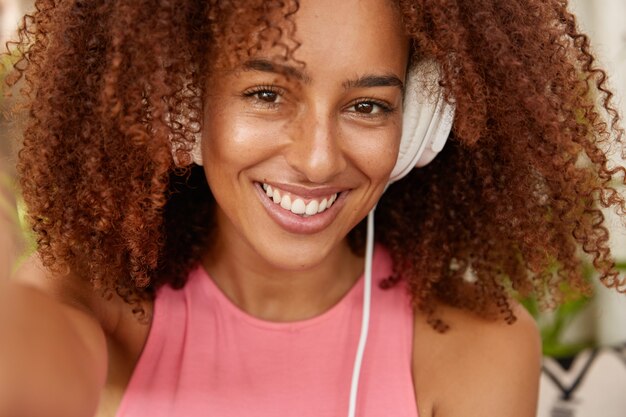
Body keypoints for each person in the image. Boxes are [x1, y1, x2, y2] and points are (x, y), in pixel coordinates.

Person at [1, 0, 625, 416]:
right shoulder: (87, 305)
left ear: (419, 129)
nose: (320, 160)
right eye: (267, 93)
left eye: (368, 106)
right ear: (184, 107)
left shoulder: (480, 346)